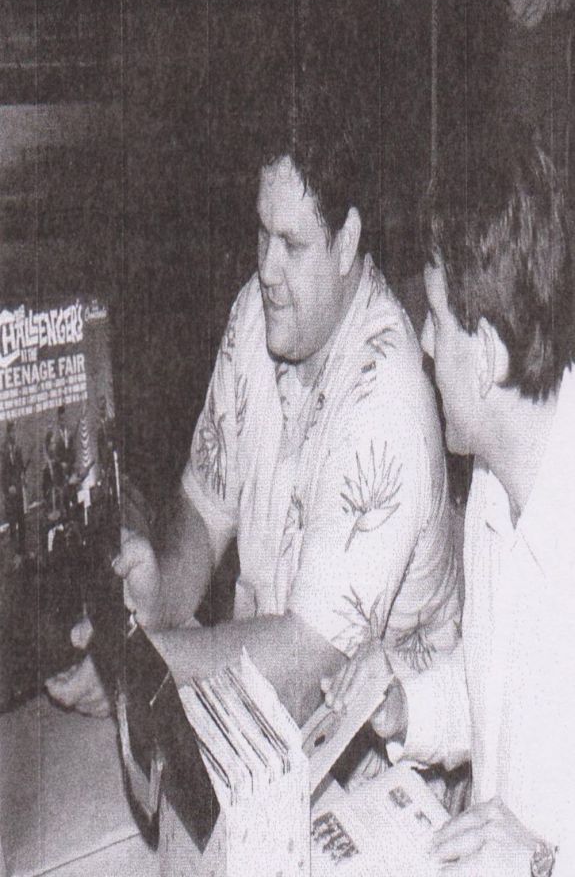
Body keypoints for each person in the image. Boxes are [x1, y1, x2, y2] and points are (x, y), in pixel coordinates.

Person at [47, 100, 459, 735]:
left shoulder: (389, 405)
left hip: (369, 759)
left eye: (292, 244)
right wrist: (161, 593)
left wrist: (138, 664)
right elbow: (204, 505)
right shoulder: (258, 313)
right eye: (263, 233)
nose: (267, 269)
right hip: (261, 718)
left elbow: (308, 671)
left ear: (347, 241)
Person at [323, 131, 575, 875]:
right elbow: (494, 698)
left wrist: (546, 860)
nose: (425, 344)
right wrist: (404, 707)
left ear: (489, 354)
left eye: (435, 318)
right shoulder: (494, 482)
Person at [2, 421, 26, 565]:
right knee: (12, 525)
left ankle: (22, 552)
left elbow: (21, 467)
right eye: (12, 432)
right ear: (8, 433)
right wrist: (8, 488)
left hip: (18, 492)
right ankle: (14, 554)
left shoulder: (18, 449)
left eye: (15, 432)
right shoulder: (2, 451)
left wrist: (22, 476)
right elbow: (2, 474)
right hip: (10, 495)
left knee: (22, 521)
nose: (14, 434)